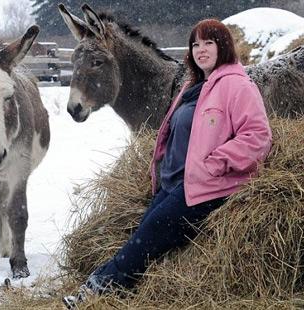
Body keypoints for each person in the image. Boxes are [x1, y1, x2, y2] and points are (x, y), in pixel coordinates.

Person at [63, 18, 272, 308]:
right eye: (196, 44)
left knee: (150, 234)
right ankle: (119, 293)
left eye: (208, 43)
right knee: (144, 232)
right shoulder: (192, 86)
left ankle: (95, 290)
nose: (201, 50)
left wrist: (216, 163)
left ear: (223, 47)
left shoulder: (237, 85)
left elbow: (258, 136)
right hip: (178, 183)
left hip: (209, 186)